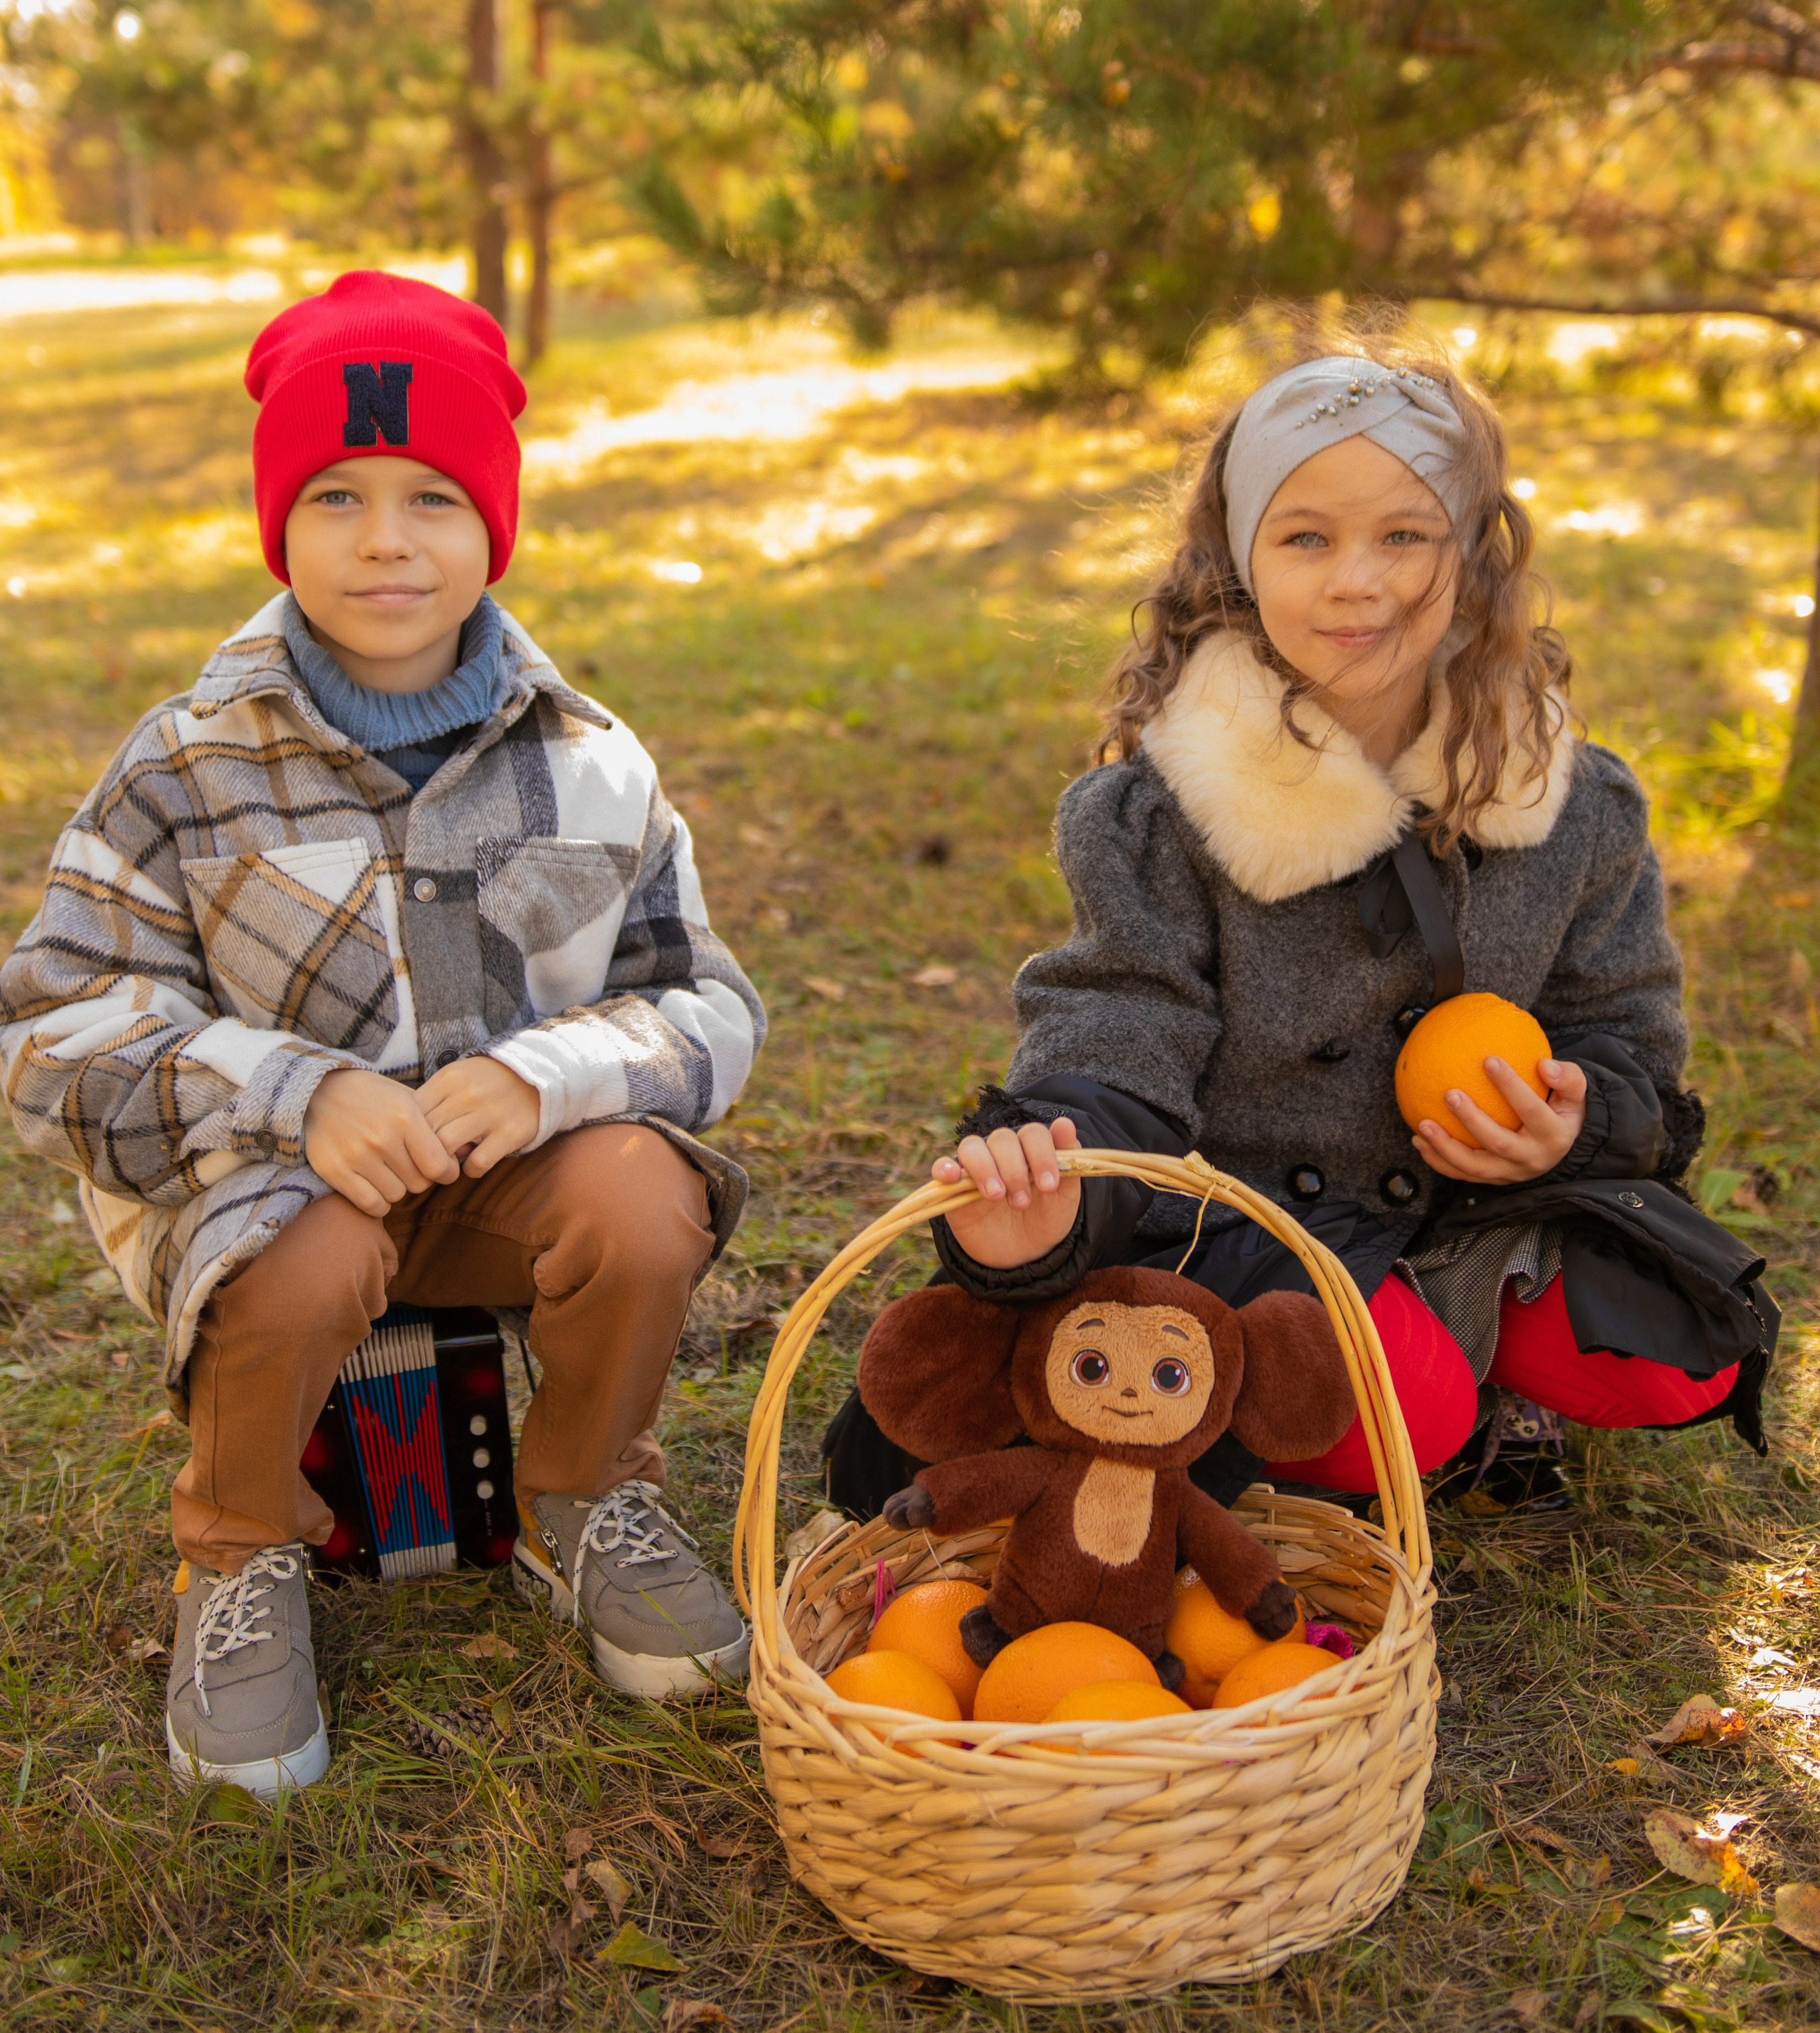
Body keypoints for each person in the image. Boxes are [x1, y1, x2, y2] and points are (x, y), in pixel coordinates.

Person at [2, 271, 765, 1795]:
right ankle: (235, 1548)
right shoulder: (185, 764)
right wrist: (292, 1092)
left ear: (496, 520)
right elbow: (48, 1029)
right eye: (335, 496)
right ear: (279, 521)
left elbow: (709, 1009)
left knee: (639, 1191)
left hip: (503, 1199)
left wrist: (549, 1073)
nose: (385, 540)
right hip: (268, 1206)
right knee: (308, 1251)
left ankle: (579, 1495)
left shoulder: (590, 763)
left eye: (432, 495)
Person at [825, 344, 1777, 1523]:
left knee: (1680, 1350)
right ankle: (1422, 1402)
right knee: (1392, 1411)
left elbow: (1625, 1024)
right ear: (1237, 559)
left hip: (1476, 1214)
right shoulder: (1165, 813)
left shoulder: (1573, 803)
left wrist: (1579, 1119)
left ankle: (1475, 1366)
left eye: (1405, 537)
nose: (1356, 583)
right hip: (1250, 1222)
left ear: (1475, 553)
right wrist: (1059, 1171)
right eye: (1307, 538)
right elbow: (1121, 1017)